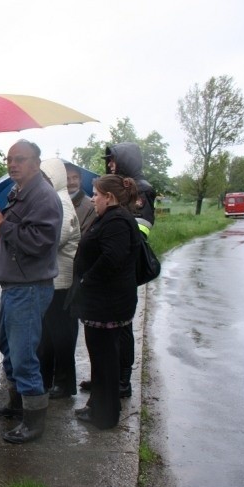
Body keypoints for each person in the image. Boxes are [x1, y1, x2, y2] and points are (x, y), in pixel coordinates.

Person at [0, 140, 62, 444]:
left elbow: (40, 242)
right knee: (8, 346)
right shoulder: (19, 193)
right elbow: (16, 231)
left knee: (23, 355)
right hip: (14, 287)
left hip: (28, 288)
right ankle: (17, 403)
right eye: (9, 159)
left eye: (20, 159)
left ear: (36, 162)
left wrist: (3, 226)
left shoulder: (43, 196)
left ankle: (33, 422)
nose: (12, 164)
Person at [79, 142, 156, 397]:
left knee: (121, 330)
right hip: (116, 267)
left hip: (125, 268)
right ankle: (102, 377)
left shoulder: (141, 189)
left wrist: (115, 229)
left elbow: (143, 225)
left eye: (113, 160)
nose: (110, 164)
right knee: (106, 334)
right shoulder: (117, 186)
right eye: (109, 161)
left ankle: (122, 379)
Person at [70, 174, 140, 429]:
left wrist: (86, 280)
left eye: (96, 194)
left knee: (105, 359)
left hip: (107, 305)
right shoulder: (112, 218)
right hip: (103, 304)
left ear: (109, 197)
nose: (93, 198)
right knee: (100, 358)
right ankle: (97, 406)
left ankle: (106, 415)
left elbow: (112, 258)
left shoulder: (117, 221)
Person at [38, 158, 81, 400]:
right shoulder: (59, 200)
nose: (42, 181)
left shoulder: (61, 202)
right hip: (55, 280)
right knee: (51, 335)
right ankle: (53, 380)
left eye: (45, 177)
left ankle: (63, 384)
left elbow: (53, 240)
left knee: (60, 336)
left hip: (60, 282)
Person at [64, 161, 96, 234]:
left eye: (75, 177)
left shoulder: (90, 205)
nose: (71, 182)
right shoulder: (54, 201)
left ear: (80, 179)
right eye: (67, 178)